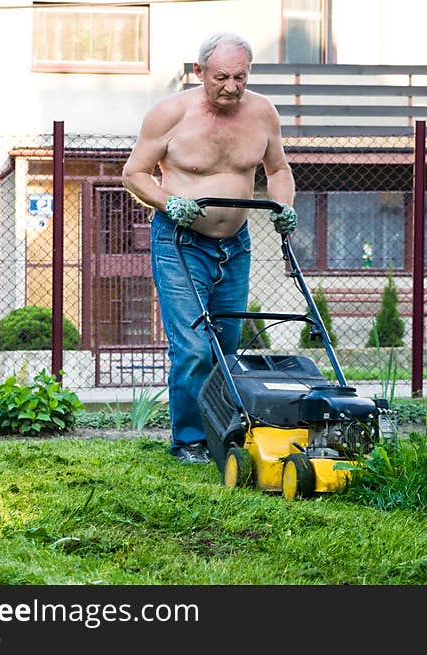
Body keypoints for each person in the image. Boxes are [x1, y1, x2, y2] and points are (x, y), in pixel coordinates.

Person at [122, 32, 297, 463]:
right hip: (179, 241)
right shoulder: (170, 114)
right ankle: (188, 440)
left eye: (240, 76)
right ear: (199, 72)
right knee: (195, 346)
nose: (232, 87)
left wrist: (283, 205)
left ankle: (222, 430)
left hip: (236, 245)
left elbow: (278, 169)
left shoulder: (262, 113)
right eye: (221, 77)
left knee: (226, 344)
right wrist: (169, 201)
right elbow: (135, 174)